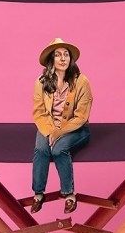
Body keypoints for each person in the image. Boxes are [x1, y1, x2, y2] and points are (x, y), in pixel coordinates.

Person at [31, 38, 92, 214]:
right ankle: (38, 194)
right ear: (52, 59)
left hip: (76, 128)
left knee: (59, 150)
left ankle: (69, 194)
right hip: (48, 126)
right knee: (41, 150)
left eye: (66, 55)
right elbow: (39, 112)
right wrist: (50, 131)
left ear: (70, 59)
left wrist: (59, 133)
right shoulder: (41, 82)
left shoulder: (82, 81)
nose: (63, 58)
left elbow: (81, 116)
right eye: (58, 55)